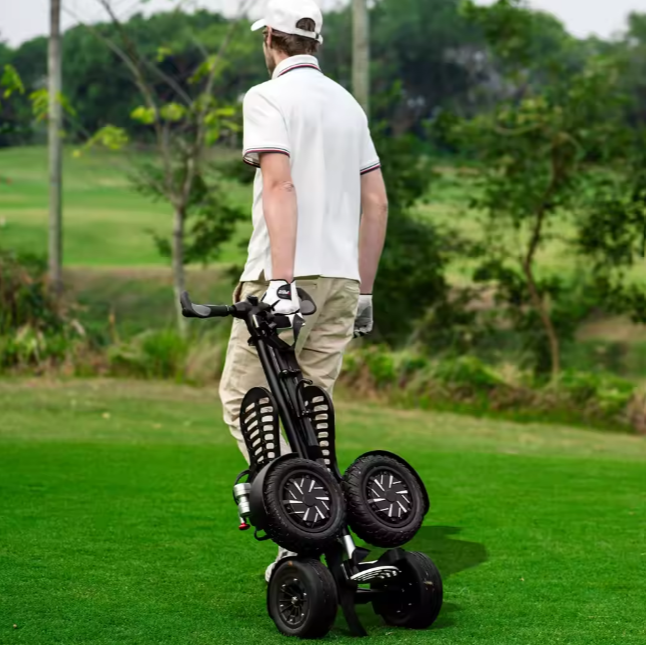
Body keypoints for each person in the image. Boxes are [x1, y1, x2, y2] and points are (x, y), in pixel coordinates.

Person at [219, 0, 389, 582]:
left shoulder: (266, 96)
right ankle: (324, 535)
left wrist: (283, 282)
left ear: (270, 36)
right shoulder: (348, 104)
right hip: (342, 281)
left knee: (247, 404)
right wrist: (364, 292)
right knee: (311, 411)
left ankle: (300, 531)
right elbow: (376, 204)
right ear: (316, 41)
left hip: (283, 279)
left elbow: (280, 185)